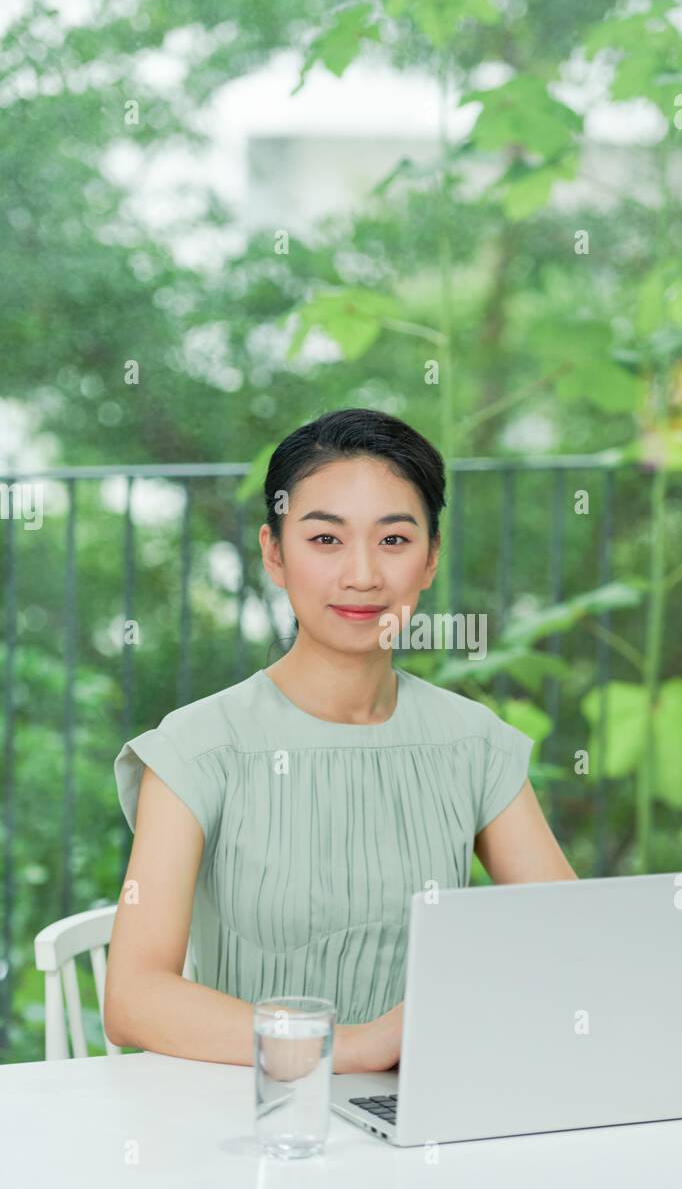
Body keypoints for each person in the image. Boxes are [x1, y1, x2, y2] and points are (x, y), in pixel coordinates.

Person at [104, 407, 577, 1072]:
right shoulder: (200, 748)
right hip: (251, 1124)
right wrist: (350, 1047)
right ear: (275, 552)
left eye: (393, 540)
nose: (363, 575)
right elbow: (133, 998)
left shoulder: (472, 744)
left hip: (423, 1117)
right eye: (326, 540)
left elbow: (574, 943)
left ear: (431, 558)